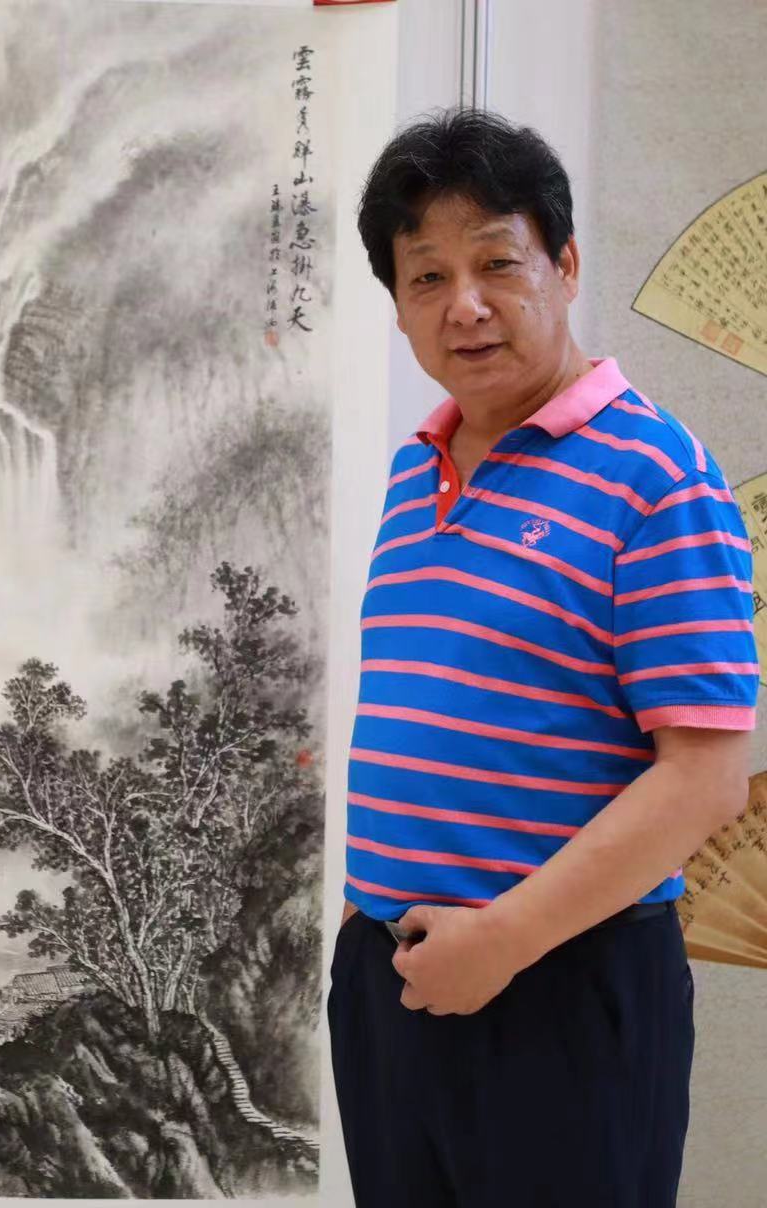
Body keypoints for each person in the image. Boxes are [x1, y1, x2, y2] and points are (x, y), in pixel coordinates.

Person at [327, 106, 759, 1208]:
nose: (464, 305)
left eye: (497, 263)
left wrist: (505, 939)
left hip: (563, 983)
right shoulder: (414, 472)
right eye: (426, 277)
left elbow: (707, 776)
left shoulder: (658, 475)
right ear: (398, 304)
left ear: (563, 267)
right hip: (391, 980)